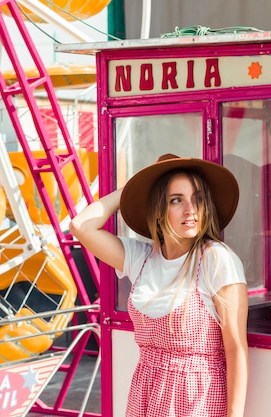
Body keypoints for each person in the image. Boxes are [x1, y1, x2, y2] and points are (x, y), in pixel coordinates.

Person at [70, 154, 249, 417]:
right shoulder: (142, 258)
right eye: (176, 200)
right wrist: (133, 189)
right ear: (157, 209)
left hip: (196, 399)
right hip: (145, 395)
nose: (191, 209)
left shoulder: (216, 259)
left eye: (198, 199)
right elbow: (81, 226)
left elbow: (235, 348)